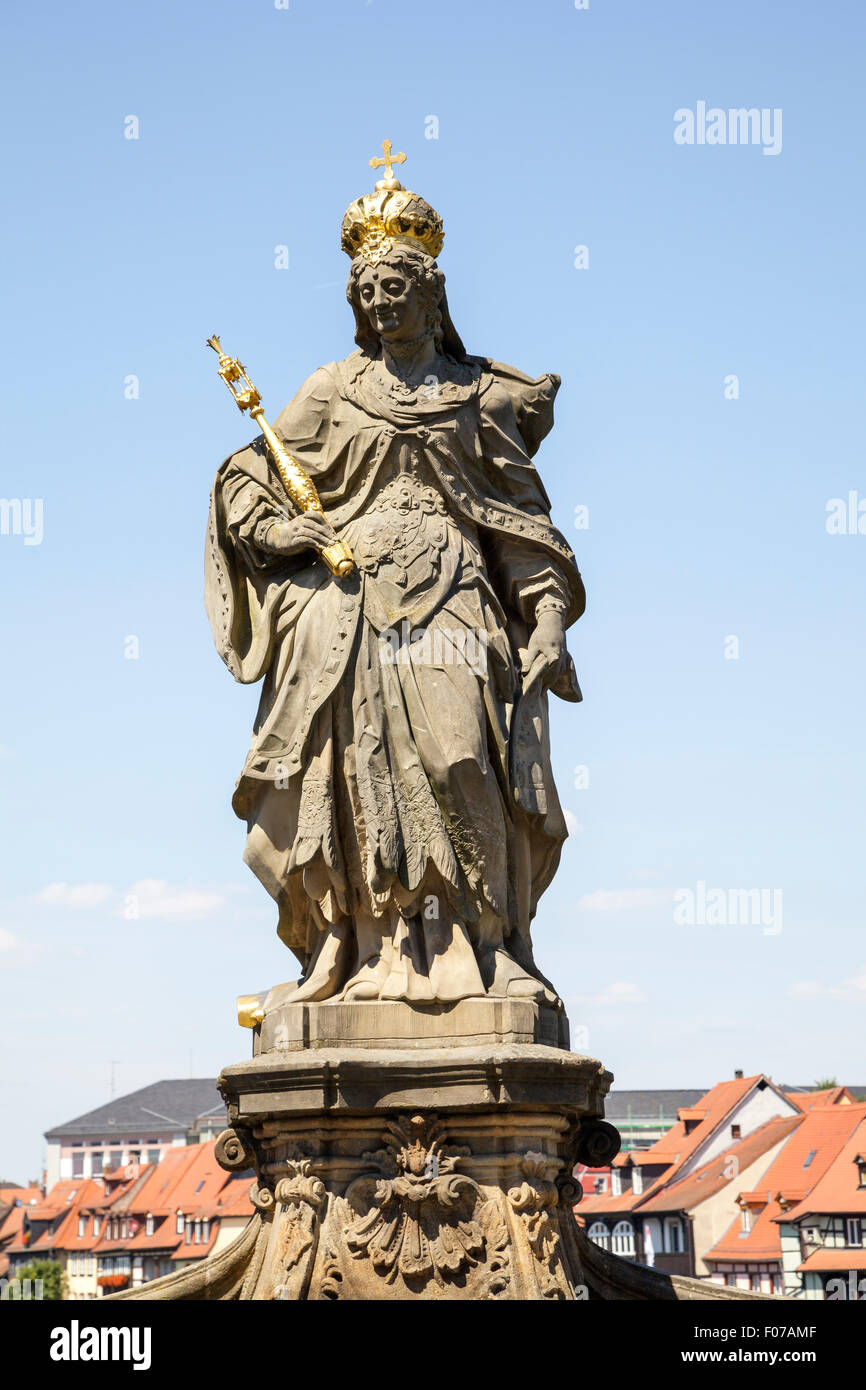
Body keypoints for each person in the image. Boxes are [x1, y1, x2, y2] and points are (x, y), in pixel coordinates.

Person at [205, 151, 584, 1008]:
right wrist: (285, 528)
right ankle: (363, 952)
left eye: (396, 286)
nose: (381, 301)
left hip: (452, 590)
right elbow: (247, 471)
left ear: (431, 292)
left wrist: (549, 619)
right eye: (367, 290)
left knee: (458, 757)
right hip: (349, 605)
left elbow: (525, 525)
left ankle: (489, 948)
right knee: (348, 777)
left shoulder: (480, 396)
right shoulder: (332, 390)